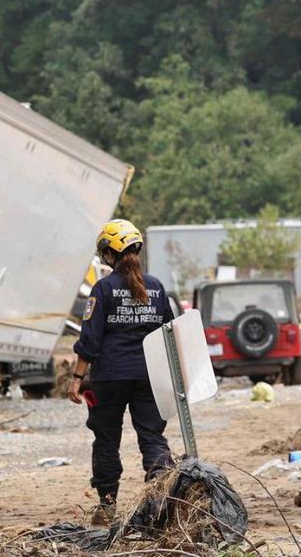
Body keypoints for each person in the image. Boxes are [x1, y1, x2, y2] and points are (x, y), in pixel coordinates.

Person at [69, 218, 174, 524]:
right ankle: (160, 503)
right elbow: (169, 332)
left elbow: (89, 339)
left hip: (109, 378)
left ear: (109, 253)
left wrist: (76, 379)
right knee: (152, 438)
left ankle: (107, 506)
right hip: (149, 376)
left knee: (106, 439)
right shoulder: (156, 287)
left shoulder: (103, 289)